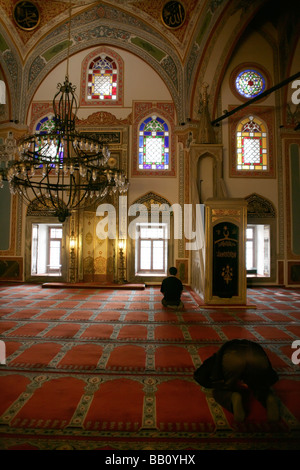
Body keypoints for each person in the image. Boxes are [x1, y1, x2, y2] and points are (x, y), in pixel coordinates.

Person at [194, 339, 279, 422]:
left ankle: (232, 397)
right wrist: (259, 384)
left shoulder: (218, 356)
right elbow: (273, 377)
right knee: (259, 386)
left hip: (233, 358)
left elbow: (199, 376)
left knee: (219, 391)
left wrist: (218, 384)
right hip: (257, 357)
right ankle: (268, 397)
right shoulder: (256, 347)